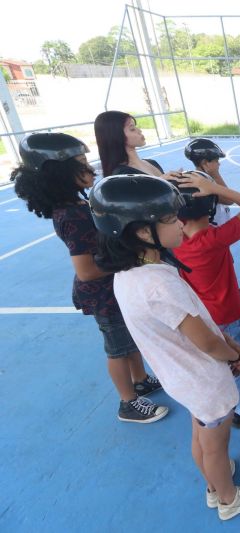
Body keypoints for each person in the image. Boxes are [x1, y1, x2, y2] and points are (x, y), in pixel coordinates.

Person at [91, 175, 240, 520]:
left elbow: (196, 325)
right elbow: (204, 340)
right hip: (204, 379)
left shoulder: (130, 275)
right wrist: (233, 354)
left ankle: (213, 483)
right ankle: (230, 499)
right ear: (143, 232)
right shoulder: (158, 284)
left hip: (182, 378)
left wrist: (226, 341)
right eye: (171, 220)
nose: (179, 224)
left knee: (201, 436)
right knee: (216, 446)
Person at [11, 133, 168, 424]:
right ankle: (128, 402)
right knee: (118, 348)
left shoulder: (78, 204)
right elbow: (86, 271)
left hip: (113, 288)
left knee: (129, 338)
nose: (90, 168)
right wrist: (134, 258)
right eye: (81, 163)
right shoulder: (71, 215)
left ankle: (141, 379)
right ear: (59, 174)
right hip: (103, 294)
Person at [170, 171, 240, 429]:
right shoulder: (213, 239)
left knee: (218, 361)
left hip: (201, 318)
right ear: (211, 206)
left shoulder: (174, 242)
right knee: (238, 362)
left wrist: (166, 181)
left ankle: (230, 401)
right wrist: (215, 188)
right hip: (227, 314)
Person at [184, 138, 240, 302]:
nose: (219, 164)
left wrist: (213, 173)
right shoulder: (203, 183)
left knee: (225, 264)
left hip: (214, 233)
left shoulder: (205, 179)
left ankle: (231, 290)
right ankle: (227, 295)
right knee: (218, 268)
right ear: (204, 162)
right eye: (216, 161)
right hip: (212, 235)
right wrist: (214, 175)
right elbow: (229, 199)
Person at [93, 110, 179, 179]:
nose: (139, 130)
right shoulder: (121, 176)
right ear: (116, 136)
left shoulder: (152, 162)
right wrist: (162, 182)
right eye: (132, 129)